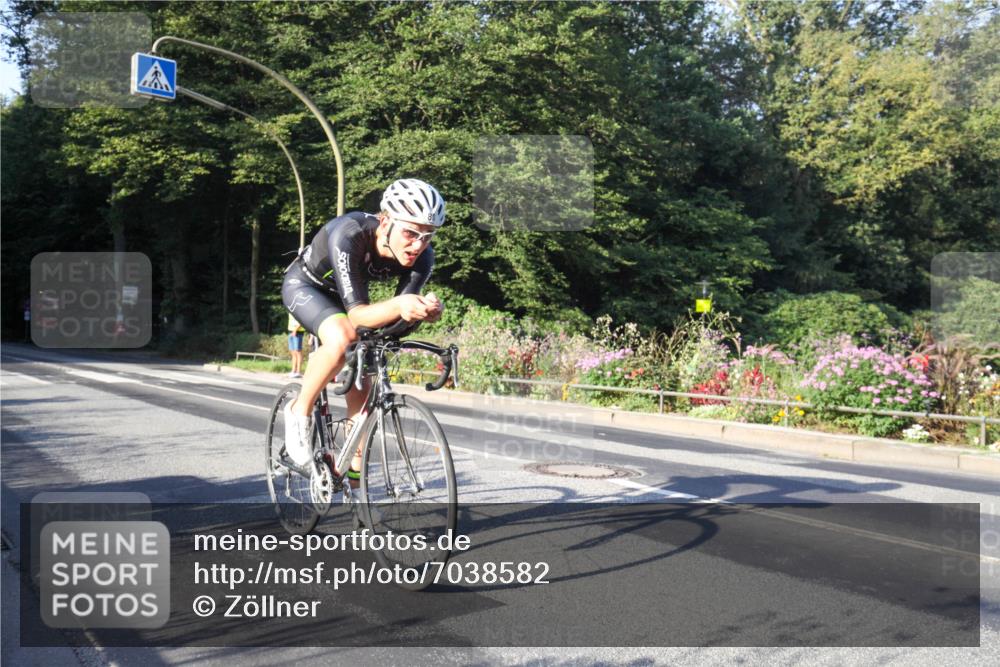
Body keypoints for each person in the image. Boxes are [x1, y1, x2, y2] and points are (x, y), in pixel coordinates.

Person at [280, 178, 445, 477]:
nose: (418, 245)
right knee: (344, 336)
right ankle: (298, 411)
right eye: (410, 233)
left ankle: (354, 485)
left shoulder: (424, 258)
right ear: (385, 223)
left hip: (351, 296)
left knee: (364, 377)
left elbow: (393, 326)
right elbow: (357, 317)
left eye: (427, 236)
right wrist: (400, 305)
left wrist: (420, 313)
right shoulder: (351, 233)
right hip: (307, 287)